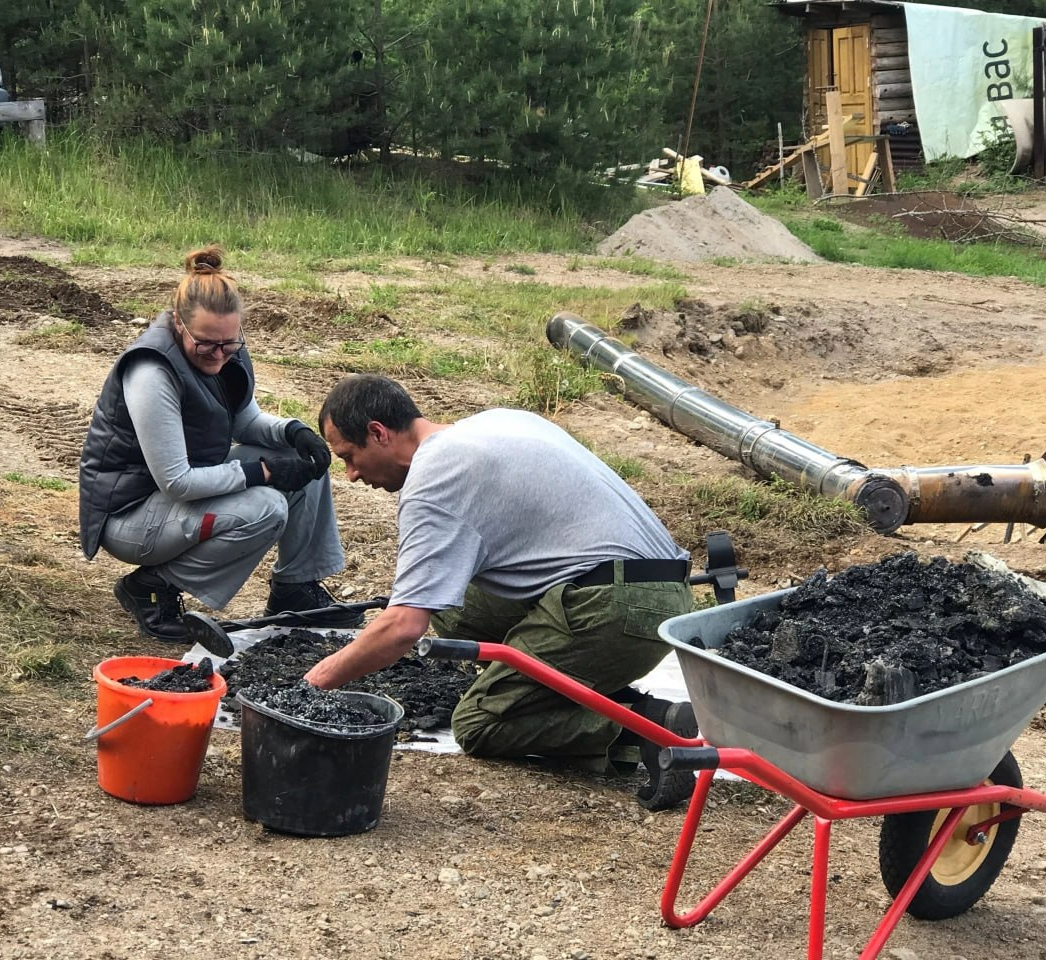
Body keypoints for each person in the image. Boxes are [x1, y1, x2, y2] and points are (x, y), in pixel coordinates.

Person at [304, 374, 698, 809]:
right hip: (662, 591)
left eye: (350, 456)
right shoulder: (495, 422)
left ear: (378, 432)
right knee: (452, 612)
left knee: (479, 724)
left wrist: (313, 685)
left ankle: (646, 727)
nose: (352, 475)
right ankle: (551, 685)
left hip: (616, 608)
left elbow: (402, 626)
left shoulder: (434, 481)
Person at [78, 246, 361, 642]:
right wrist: (261, 472)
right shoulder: (151, 371)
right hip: (130, 515)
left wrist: (294, 432)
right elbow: (177, 481)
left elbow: (246, 421)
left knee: (301, 462)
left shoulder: (227, 350)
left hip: (176, 501)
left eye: (230, 344)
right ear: (178, 323)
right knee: (265, 507)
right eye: (207, 344)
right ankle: (151, 587)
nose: (220, 355)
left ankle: (294, 590)